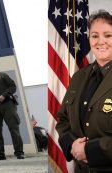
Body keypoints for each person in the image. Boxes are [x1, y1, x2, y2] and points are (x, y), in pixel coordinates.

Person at [55, 10, 112, 172]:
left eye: (108, 35)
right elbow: (63, 119)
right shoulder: (79, 76)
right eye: (94, 36)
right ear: (89, 40)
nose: (101, 41)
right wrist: (72, 145)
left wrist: (90, 151)